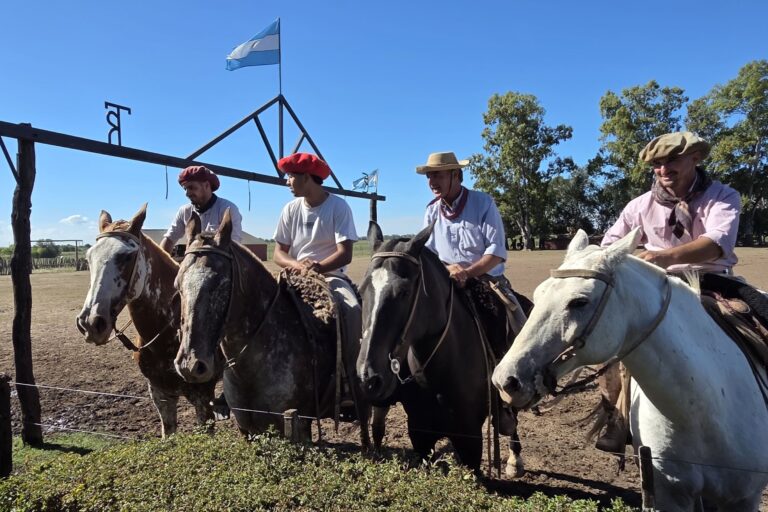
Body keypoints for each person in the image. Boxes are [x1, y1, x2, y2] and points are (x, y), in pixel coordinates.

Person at [595, 131, 741, 453]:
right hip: (656, 287)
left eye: (672, 161)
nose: (664, 170)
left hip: (713, 282)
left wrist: (663, 255)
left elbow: (718, 244)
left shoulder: (723, 196)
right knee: (611, 338)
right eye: (657, 165)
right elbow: (609, 246)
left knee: (759, 317)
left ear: (695, 159)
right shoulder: (638, 206)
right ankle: (616, 418)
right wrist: (636, 258)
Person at [272, 152, 361, 411]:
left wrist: (318, 267)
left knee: (353, 311)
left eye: (291, 177)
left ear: (308, 178)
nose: (288, 182)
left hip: (331, 276)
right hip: (295, 275)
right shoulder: (290, 209)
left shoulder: (338, 207)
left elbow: (345, 252)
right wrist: (297, 265)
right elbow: (279, 252)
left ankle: (349, 380)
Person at [160, 165, 243, 254]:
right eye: (185, 189)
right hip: (192, 263)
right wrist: (159, 263)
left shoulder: (227, 209)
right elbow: (170, 238)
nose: (187, 194)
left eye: (191, 187)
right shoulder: (185, 211)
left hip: (219, 265)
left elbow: (233, 246)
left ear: (206, 185)